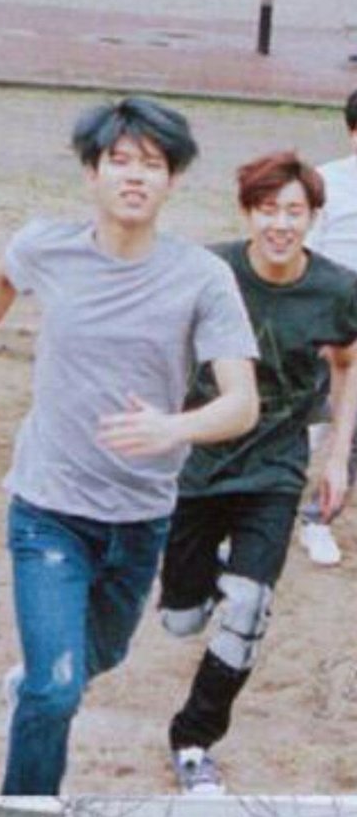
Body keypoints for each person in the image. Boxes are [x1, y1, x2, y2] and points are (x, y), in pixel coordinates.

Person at [0, 96, 259, 795]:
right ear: (92, 172)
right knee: (57, 691)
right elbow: (2, 278)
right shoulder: (47, 247)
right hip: (48, 510)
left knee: (99, 657)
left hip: (141, 516)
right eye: (120, 161)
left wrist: (173, 427)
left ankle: (33, 686)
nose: (135, 176)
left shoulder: (201, 277)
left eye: (153, 164)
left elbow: (242, 403)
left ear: (173, 180)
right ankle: (25, 801)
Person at [160, 151, 357, 795]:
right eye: (268, 210)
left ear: (313, 217)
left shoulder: (337, 289)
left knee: (248, 609)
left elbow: (347, 365)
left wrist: (336, 457)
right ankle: (213, 578)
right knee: (181, 619)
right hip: (197, 467)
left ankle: (194, 740)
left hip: (274, 470)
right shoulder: (209, 271)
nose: (281, 225)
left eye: (294, 212)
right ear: (247, 213)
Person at [299, 88, 357, 565]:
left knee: (349, 434)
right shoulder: (325, 183)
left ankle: (318, 519)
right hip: (328, 319)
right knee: (299, 423)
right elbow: (305, 253)